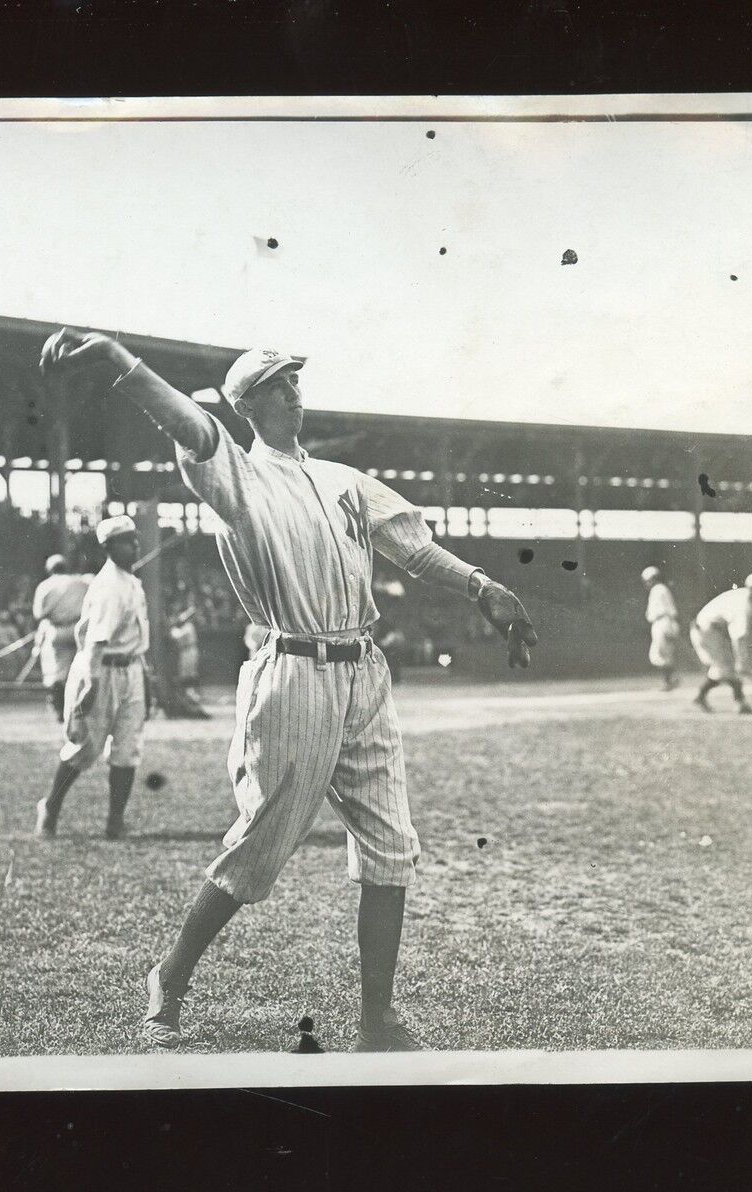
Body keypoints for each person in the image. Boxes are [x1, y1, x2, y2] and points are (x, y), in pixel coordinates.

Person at [39, 331, 537, 1052]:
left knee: (393, 846)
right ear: (249, 403)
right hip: (293, 668)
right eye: (277, 384)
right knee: (261, 846)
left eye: (296, 380)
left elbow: (413, 545)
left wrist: (482, 584)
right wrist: (121, 361)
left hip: (362, 670)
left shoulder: (342, 479)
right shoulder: (236, 475)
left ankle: (377, 1021)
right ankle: (169, 977)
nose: (294, 391)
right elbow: (187, 421)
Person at [35, 517, 150, 840]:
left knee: (128, 748)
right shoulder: (108, 586)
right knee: (85, 748)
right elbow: (97, 641)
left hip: (131, 668)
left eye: (135, 538)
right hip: (100, 669)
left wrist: (145, 674)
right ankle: (50, 809)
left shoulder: (132, 582)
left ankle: (115, 820)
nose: (135, 545)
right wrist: (92, 683)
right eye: (126, 540)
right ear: (109, 547)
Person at [689, 573, 752, 713]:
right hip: (706, 631)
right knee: (727, 668)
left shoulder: (743, 597)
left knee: (725, 668)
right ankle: (738, 703)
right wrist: (741, 661)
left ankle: (702, 697)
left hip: (709, 631)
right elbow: (739, 637)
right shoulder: (743, 604)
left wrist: (739, 661)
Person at [31, 553, 90, 717]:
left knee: (57, 671)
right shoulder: (81, 582)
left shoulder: (45, 586)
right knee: (81, 668)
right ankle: (79, 707)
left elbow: (38, 614)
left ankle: (60, 709)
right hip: (80, 628)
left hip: (58, 630)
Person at [640, 565, 680, 690]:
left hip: (662, 623)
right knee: (663, 655)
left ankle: (670, 680)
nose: (646, 583)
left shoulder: (658, 589)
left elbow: (660, 611)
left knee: (658, 655)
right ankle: (669, 680)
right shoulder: (661, 589)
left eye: (648, 580)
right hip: (665, 622)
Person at [168, 606, 208, 714]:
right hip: (185, 650)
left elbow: (176, 635)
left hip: (189, 650)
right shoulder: (185, 626)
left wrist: (172, 629)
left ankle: (194, 695)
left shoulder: (188, 626)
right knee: (185, 674)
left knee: (189, 675)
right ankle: (190, 695)